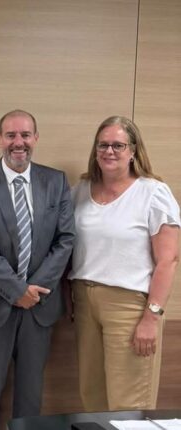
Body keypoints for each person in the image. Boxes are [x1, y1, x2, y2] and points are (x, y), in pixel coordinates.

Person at [0, 109, 74, 430]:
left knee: (30, 396)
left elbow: (65, 240)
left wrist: (33, 290)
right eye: (11, 135)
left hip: (40, 305)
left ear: (36, 138)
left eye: (25, 135)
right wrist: (16, 290)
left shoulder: (56, 181)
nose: (18, 142)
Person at [67, 116, 179, 411]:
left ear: (133, 151)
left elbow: (168, 261)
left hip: (129, 306)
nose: (109, 151)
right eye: (102, 145)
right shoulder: (80, 191)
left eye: (118, 145)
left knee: (128, 405)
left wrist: (151, 318)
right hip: (84, 301)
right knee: (92, 397)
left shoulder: (153, 193)